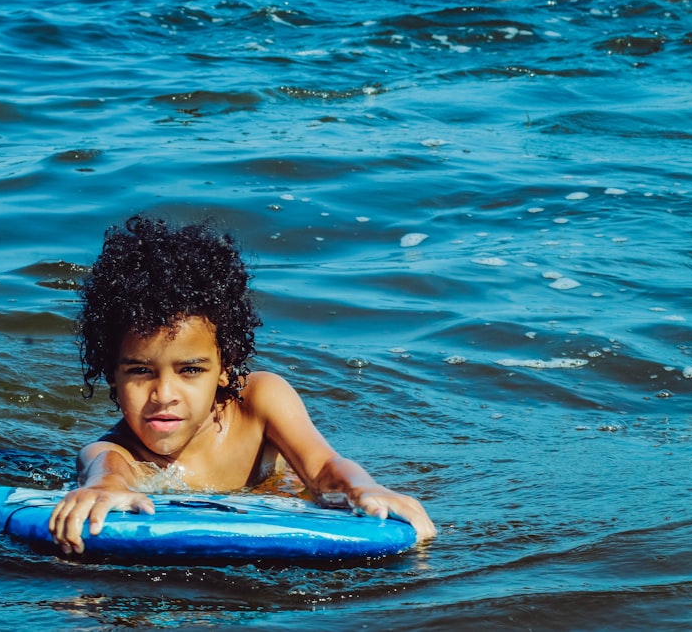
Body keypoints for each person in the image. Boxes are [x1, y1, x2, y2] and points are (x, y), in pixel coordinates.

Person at [48, 215, 436, 554]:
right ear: (111, 371)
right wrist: (104, 486)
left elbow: (323, 469)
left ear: (225, 368)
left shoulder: (259, 402)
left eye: (191, 370)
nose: (164, 395)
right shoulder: (114, 451)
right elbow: (105, 468)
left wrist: (362, 489)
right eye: (140, 371)